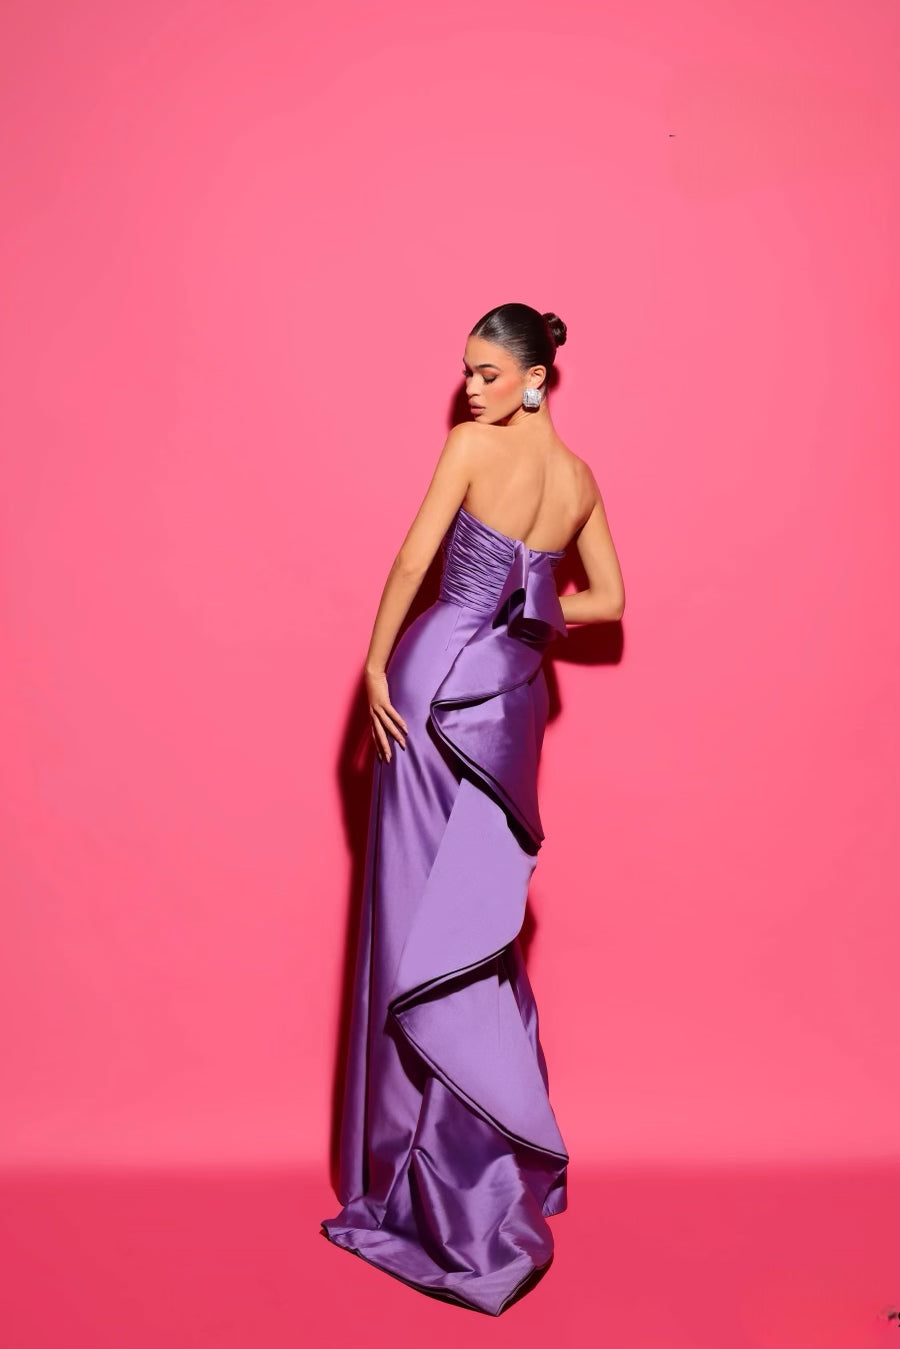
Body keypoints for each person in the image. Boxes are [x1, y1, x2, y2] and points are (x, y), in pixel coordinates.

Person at [320, 303, 626, 1315]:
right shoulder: (578, 479)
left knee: (416, 916)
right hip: (512, 698)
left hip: (431, 680)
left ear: (536, 377)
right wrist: (532, 604)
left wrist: (374, 663)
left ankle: (414, 1171)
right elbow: (608, 599)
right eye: (467, 372)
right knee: (474, 925)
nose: (471, 388)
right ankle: (484, 1159)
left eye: (490, 373)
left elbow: (414, 563)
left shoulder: (469, 447)